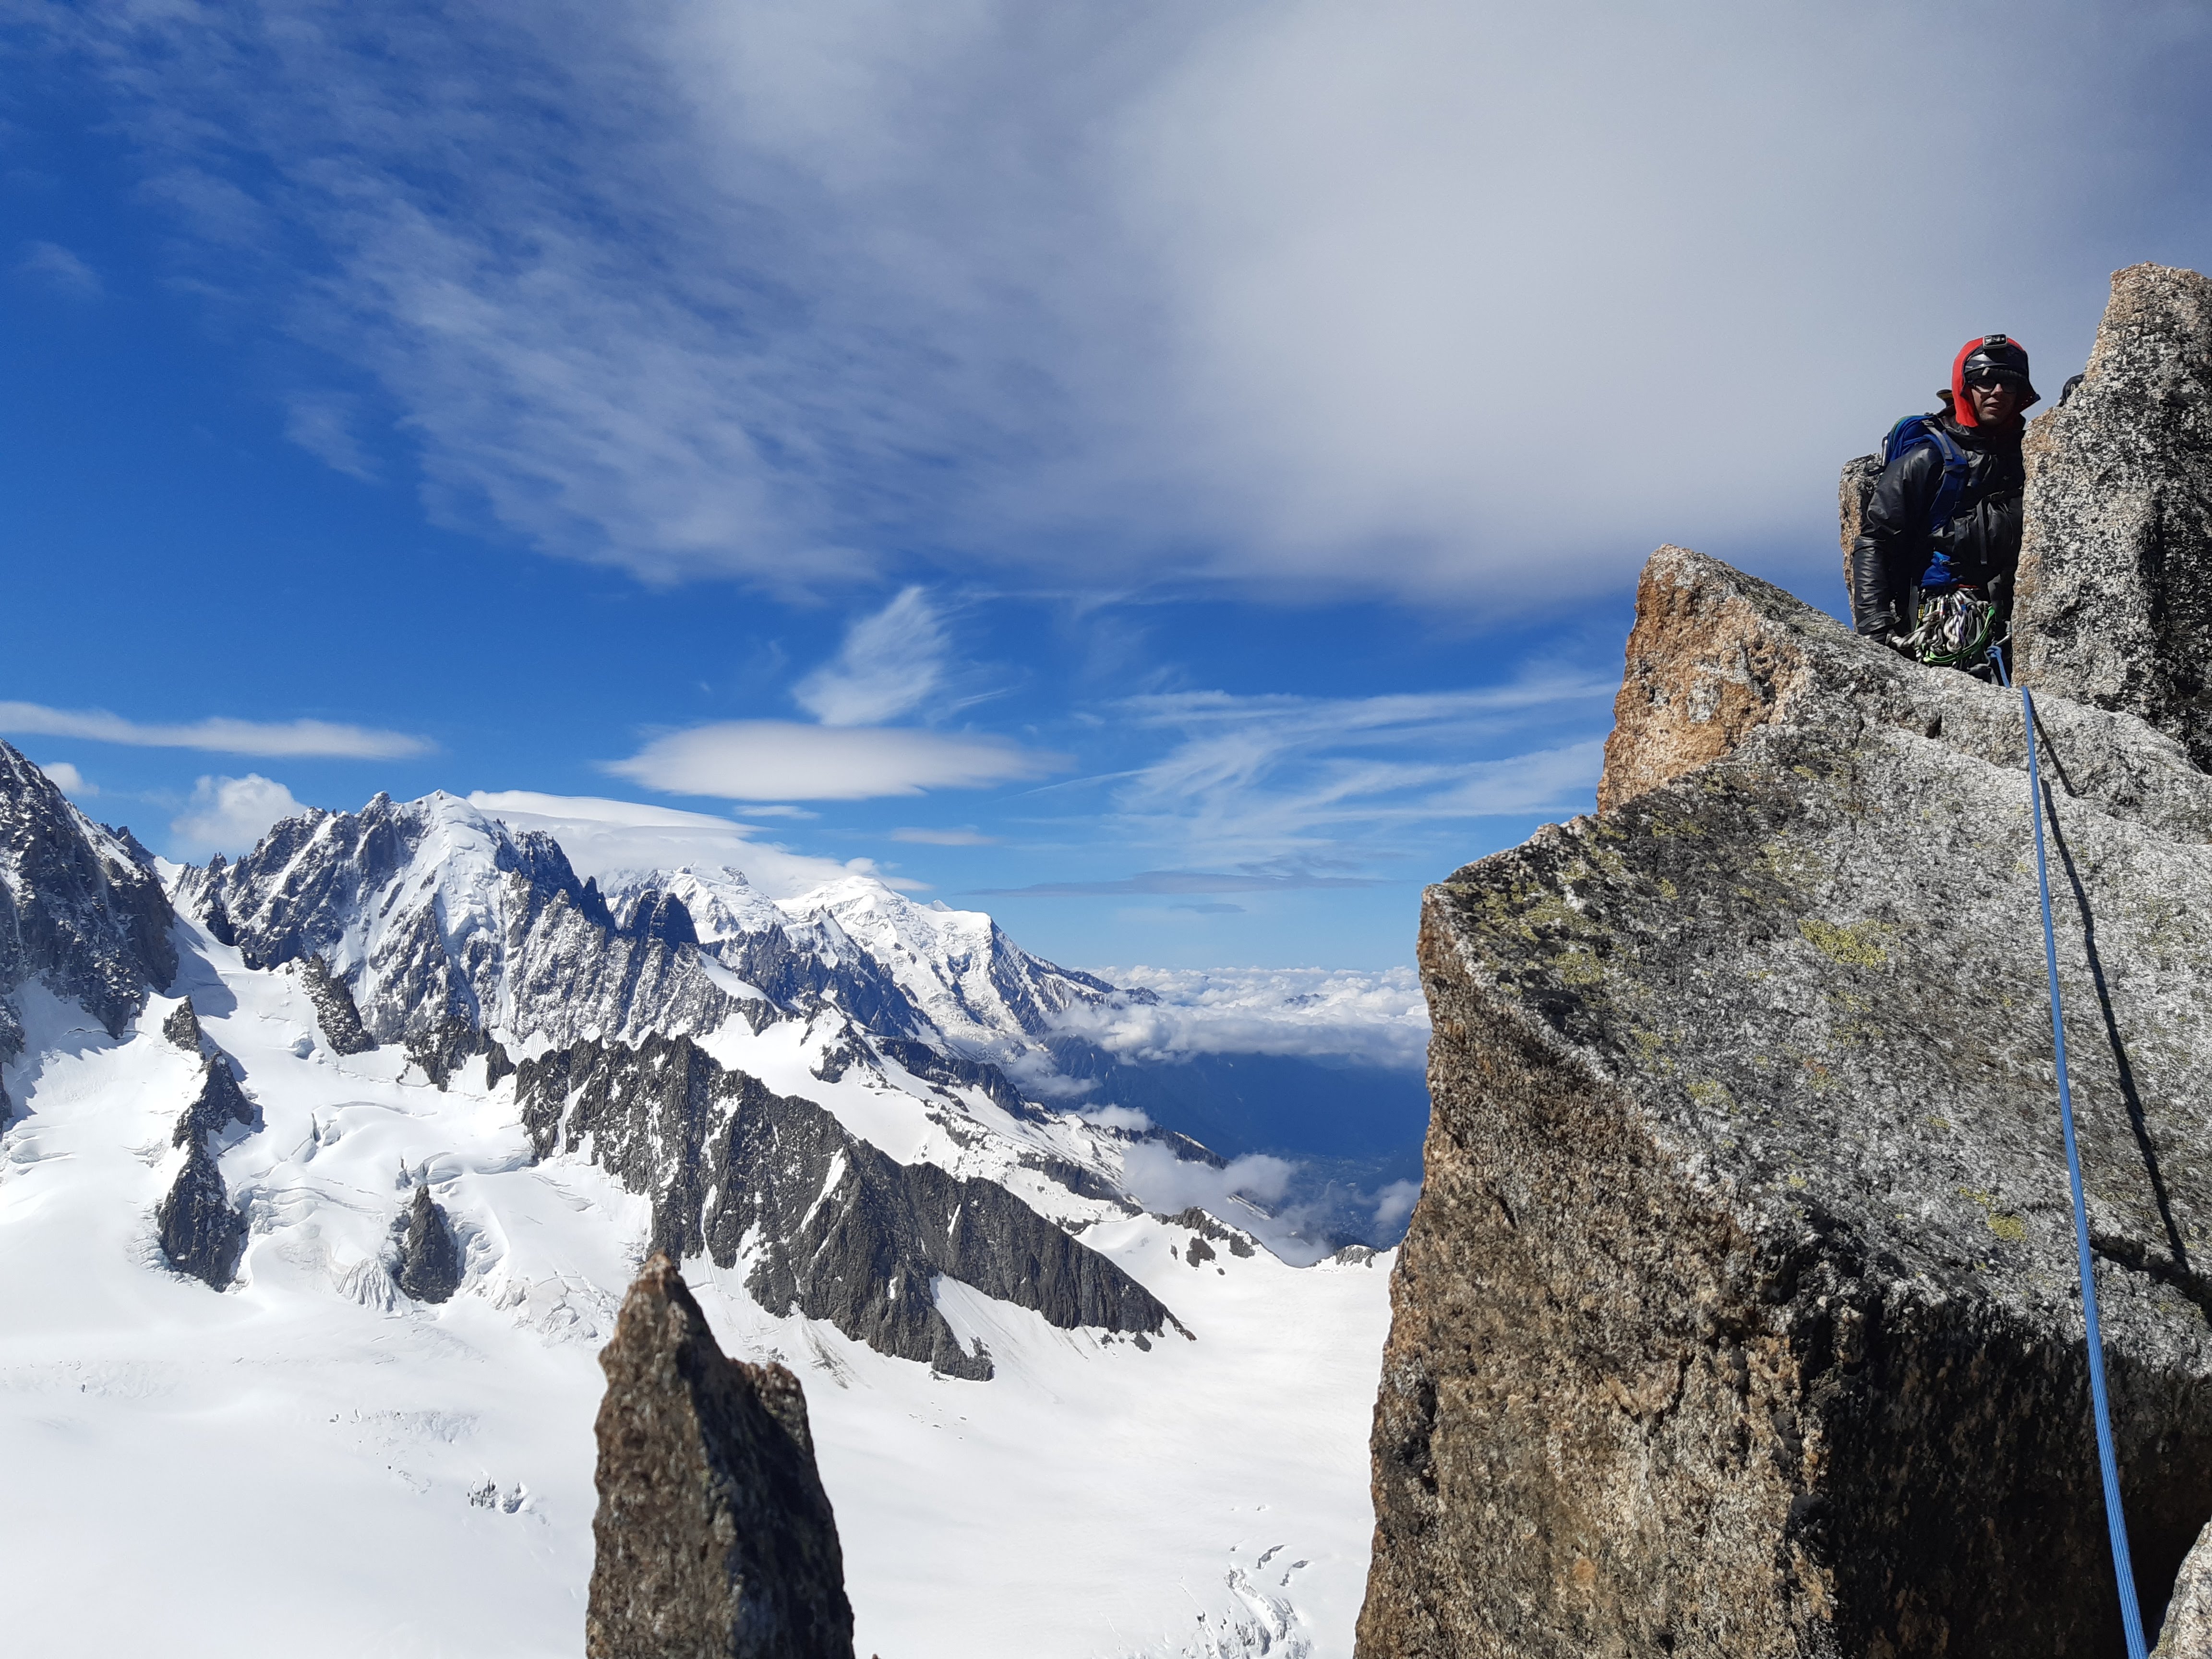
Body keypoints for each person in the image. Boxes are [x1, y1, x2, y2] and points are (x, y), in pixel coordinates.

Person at [1849, 335, 2039, 665]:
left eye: (2009, 384)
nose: (1997, 392)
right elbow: (1876, 541)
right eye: (1985, 382)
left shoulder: (2030, 453)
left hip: (2016, 613)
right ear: (1964, 388)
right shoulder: (1928, 458)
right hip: (1944, 619)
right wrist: (1875, 632)